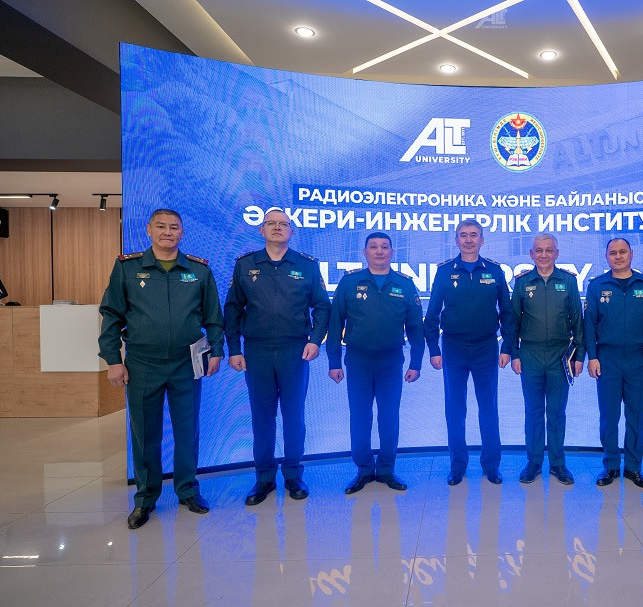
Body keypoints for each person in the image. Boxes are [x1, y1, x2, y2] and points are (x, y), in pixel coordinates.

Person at [99, 208, 223, 529]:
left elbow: (213, 317)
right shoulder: (127, 267)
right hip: (142, 364)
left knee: (187, 430)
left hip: (187, 363)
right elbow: (111, 315)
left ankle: (188, 490)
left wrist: (217, 352)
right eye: (161, 227)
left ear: (182, 232)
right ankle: (145, 498)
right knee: (145, 434)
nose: (168, 232)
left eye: (174, 227)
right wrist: (113, 360)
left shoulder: (198, 270)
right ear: (149, 230)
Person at [223, 209, 330, 506]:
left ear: (291, 232)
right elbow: (232, 308)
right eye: (271, 223)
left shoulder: (307, 265)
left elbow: (322, 306)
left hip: (294, 351)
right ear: (261, 230)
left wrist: (315, 340)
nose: (278, 228)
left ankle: (293, 474)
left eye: (284, 224)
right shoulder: (245, 265)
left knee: (294, 416)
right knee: (262, 417)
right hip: (256, 351)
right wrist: (234, 348)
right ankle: (264, 478)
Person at [327, 232, 424, 495]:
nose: (379, 251)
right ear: (365, 252)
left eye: (384, 247)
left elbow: (416, 328)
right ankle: (363, 469)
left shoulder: (404, 284)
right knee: (360, 416)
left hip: (391, 362)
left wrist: (416, 363)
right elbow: (335, 324)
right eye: (373, 247)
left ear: (392, 252)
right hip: (357, 361)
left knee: (389, 416)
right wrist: (334, 362)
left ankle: (386, 469)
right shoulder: (350, 282)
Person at [424, 219, 513, 486]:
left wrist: (507, 347)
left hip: (487, 348)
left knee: (489, 409)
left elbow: (507, 313)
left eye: (474, 235)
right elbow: (432, 315)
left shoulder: (495, 271)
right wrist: (434, 349)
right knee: (455, 409)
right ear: (456, 241)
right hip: (454, 348)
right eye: (463, 235)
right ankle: (457, 466)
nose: (469, 240)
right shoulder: (444, 272)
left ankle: (491, 466)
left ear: (482, 240)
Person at [584, 238, 643, 489]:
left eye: (622, 252)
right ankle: (610, 466)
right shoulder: (597, 286)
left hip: (638, 359)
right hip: (607, 359)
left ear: (631, 254)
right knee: (609, 417)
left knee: (636, 416)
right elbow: (589, 325)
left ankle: (633, 468)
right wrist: (592, 357)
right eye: (613, 253)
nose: (618, 257)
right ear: (606, 257)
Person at [510, 233, 584, 485]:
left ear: (556, 253)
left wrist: (579, 355)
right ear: (531, 254)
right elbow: (513, 322)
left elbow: (578, 320)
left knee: (556, 412)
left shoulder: (568, 281)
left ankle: (557, 464)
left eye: (549, 250)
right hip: (530, 354)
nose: (544, 255)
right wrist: (514, 353)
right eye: (539, 250)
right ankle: (533, 462)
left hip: (559, 356)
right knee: (533, 412)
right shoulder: (522, 282)